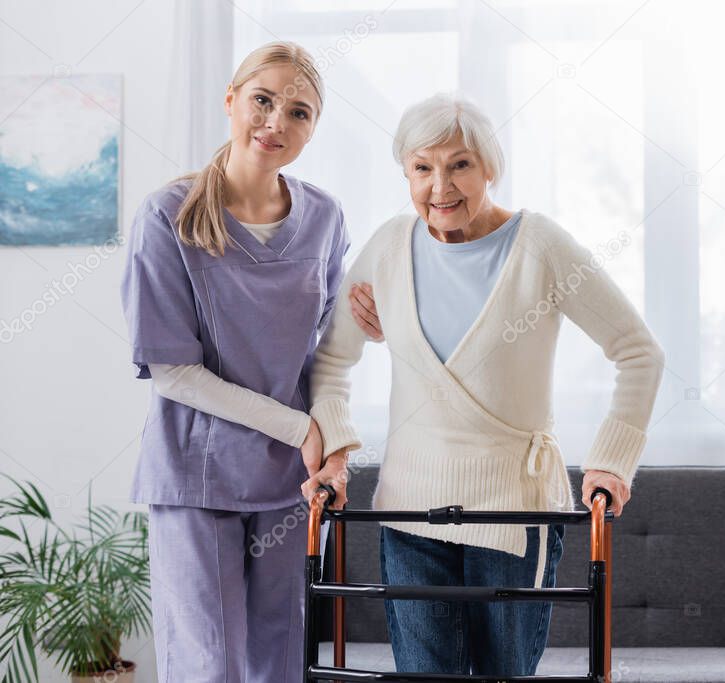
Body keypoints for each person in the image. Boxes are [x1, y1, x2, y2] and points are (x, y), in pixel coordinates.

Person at [300, 92, 665, 675]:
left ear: (489, 167)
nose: (440, 186)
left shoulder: (539, 246)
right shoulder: (390, 246)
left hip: (513, 513)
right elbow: (332, 362)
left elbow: (639, 352)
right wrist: (338, 456)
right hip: (409, 513)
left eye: (459, 165)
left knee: (504, 674)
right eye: (422, 168)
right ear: (406, 174)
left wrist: (611, 464)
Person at [120, 41, 380, 682]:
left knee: (281, 658)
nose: (276, 122)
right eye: (263, 100)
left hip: (291, 480)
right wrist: (302, 429)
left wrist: (335, 433)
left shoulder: (323, 216)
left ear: (313, 130)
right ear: (231, 100)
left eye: (299, 112)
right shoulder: (167, 216)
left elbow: (326, 352)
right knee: (211, 663)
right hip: (197, 473)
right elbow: (173, 370)